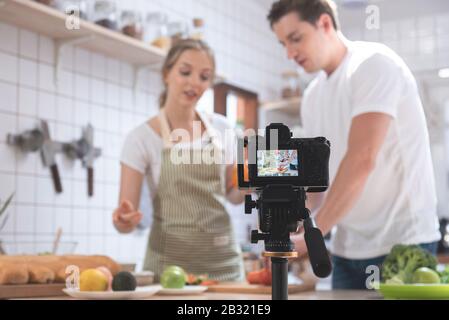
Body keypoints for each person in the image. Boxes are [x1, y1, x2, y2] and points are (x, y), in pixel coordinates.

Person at [267, 0, 441, 289]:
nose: (289, 53)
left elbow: (362, 158)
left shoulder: (373, 64)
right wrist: (295, 229)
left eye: (295, 38)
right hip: (346, 250)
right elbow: (315, 181)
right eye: (283, 43)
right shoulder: (312, 97)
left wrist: (313, 234)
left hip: (404, 242)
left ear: (324, 24)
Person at [113, 39, 245, 281]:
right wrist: (124, 220)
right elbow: (125, 221)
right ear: (166, 73)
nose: (194, 82)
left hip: (224, 268)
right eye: (185, 72)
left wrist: (252, 181)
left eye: (204, 77)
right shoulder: (141, 138)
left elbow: (234, 196)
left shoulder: (223, 129)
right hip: (168, 272)